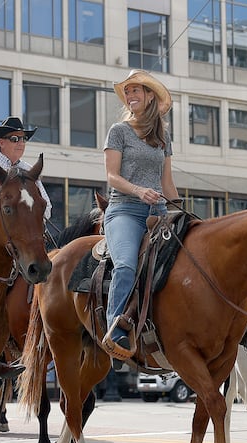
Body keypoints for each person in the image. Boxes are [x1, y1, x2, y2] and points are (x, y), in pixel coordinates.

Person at [101, 69, 179, 356]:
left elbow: (167, 181)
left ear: (150, 97)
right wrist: (138, 190)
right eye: (128, 91)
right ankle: (115, 329)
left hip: (159, 212)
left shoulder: (163, 137)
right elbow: (112, 176)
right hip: (125, 210)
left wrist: (180, 211)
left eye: (137, 90)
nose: (131, 96)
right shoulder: (119, 131)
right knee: (125, 266)